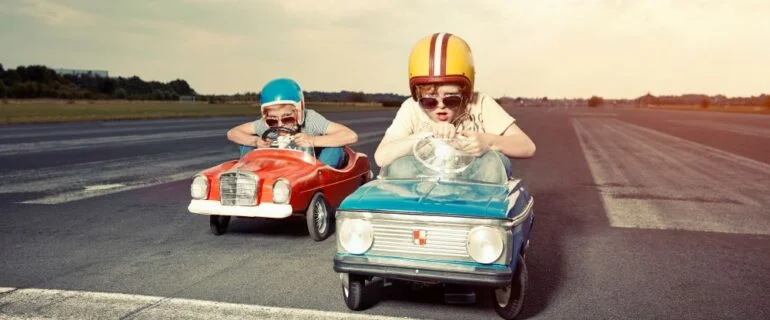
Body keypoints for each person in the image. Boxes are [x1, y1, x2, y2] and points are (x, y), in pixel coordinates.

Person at [374, 32, 536, 178]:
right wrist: (426, 135)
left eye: (451, 100)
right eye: (429, 101)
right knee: (400, 167)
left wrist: (487, 142)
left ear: (465, 94)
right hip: (426, 181)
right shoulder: (411, 107)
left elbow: (527, 146)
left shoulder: (481, 103)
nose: (440, 106)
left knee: (492, 164)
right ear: (418, 96)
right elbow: (381, 157)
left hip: (475, 185)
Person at [226, 78, 358, 169]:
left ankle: (320, 177)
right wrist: (255, 141)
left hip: (312, 166)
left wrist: (312, 140)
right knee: (246, 145)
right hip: (280, 168)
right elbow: (232, 133)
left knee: (335, 148)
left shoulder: (311, 119)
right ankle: (247, 174)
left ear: (299, 111)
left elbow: (351, 136)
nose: (280, 125)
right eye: (273, 120)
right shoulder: (265, 124)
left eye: (287, 119)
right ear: (266, 117)